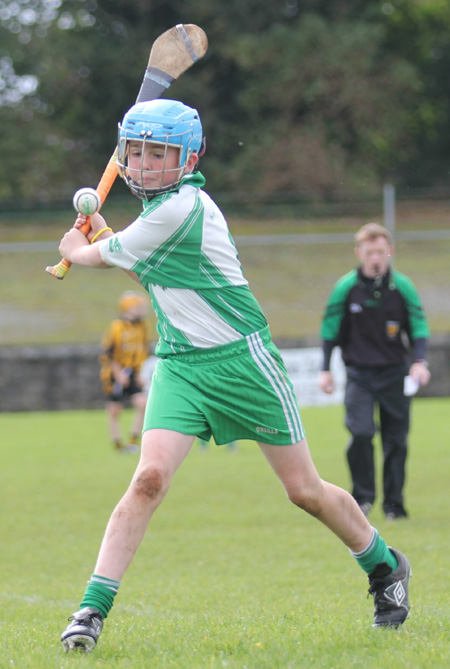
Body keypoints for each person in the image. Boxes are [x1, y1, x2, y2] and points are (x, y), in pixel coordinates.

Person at [58, 100, 412, 653]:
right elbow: (134, 252)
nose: (146, 165)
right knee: (148, 479)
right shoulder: (159, 216)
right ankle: (90, 612)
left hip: (244, 365)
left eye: (161, 154)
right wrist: (99, 236)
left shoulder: (184, 208)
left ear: (189, 159)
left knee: (305, 492)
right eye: (138, 152)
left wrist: (74, 248)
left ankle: (384, 566)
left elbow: (102, 256)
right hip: (181, 366)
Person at [319, 222, 431, 520]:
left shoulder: (402, 287)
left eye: (380, 252)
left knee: (396, 440)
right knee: (361, 432)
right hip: (359, 375)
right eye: (369, 252)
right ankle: (362, 499)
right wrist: (325, 369)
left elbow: (418, 327)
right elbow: (330, 328)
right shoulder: (346, 288)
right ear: (359, 253)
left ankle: (394, 504)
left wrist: (420, 362)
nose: (375, 258)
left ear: (390, 252)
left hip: (395, 373)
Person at [99, 291, 151, 452]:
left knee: (143, 404)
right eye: (137, 306)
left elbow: (144, 350)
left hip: (134, 372)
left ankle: (133, 441)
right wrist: (118, 374)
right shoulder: (117, 326)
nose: (140, 310)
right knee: (115, 410)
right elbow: (108, 353)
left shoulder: (143, 326)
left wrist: (141, 374)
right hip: (115, 374)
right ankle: (117, 444)